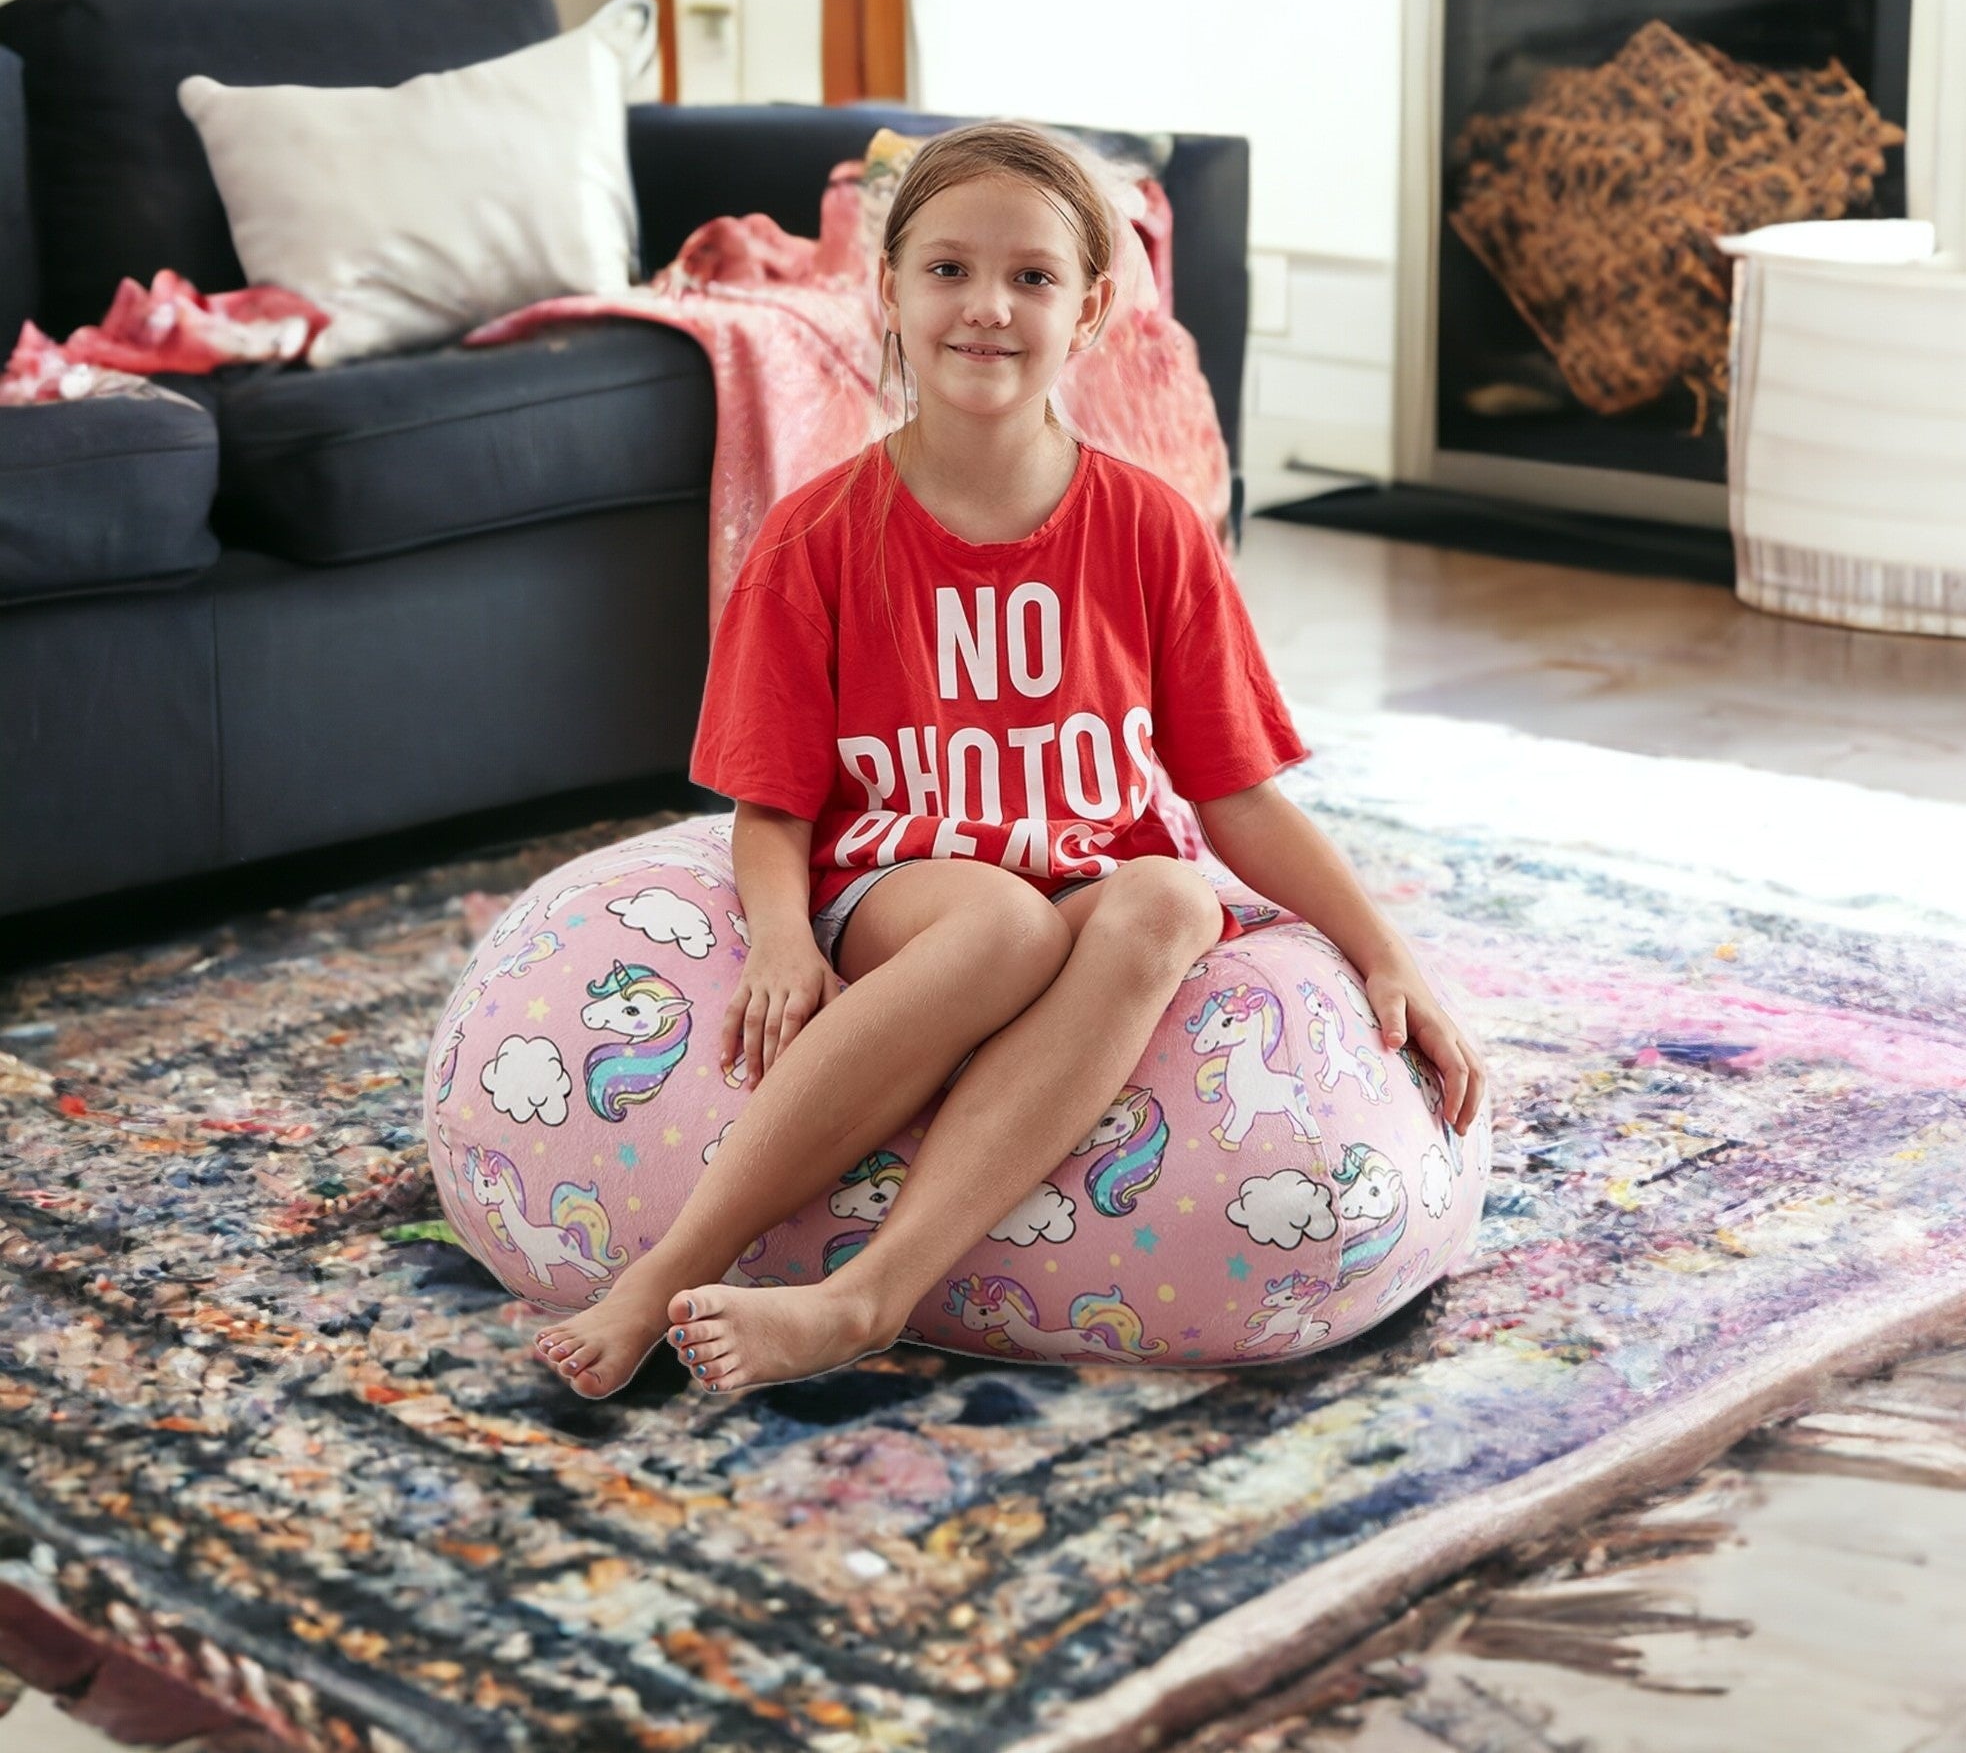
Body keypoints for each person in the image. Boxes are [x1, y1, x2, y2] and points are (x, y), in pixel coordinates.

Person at [535, 121, 1486, 1399]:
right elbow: (770, 805)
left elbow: (1235, 795)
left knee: (1170, 891)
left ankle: (866, 1294)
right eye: (947, 271)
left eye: (1031, 277)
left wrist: (1384, 952)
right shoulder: (816, 535)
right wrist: (776, 935)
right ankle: (662, 1274)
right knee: (1000, 926)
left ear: (1090, 310)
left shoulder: (1149, 526)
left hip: (1087, 880)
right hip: (908, 885)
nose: (986, 307)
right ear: (887, 288)